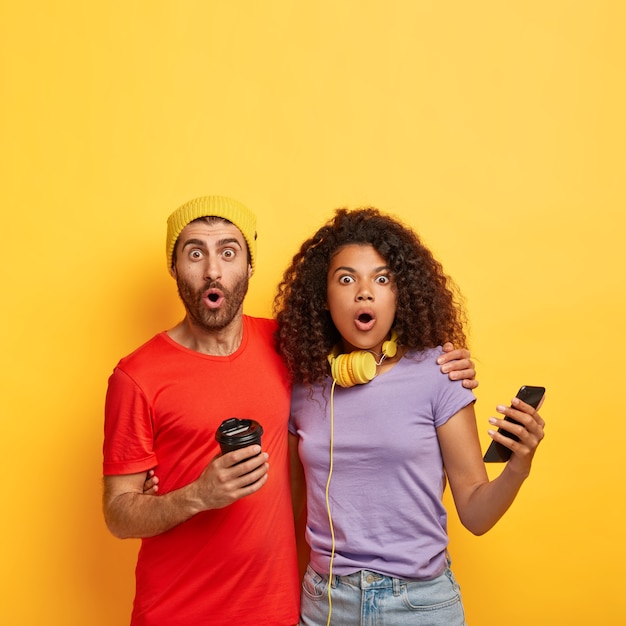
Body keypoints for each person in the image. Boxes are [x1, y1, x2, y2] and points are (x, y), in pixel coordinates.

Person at [102, 196, 478, 626]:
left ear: (249, 266)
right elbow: (118, 515)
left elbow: (364, 335)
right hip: (176, 611)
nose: (212, 269)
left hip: (278, 611)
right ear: (174, 267)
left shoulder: (289, 350)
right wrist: (195, 496)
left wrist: (443, 362)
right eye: (194, 253)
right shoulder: (136, 376)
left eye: (228, 252)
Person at [273, 207, 546, 626]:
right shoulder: (305, 386)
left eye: (381, 279)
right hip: (326, 603)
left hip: (419, 606)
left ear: (400, 294)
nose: (364, 292)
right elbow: (289, 516)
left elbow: (475, 514)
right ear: (324, 300)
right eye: (346, 279)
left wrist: (519, 466)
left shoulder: (441, 373)